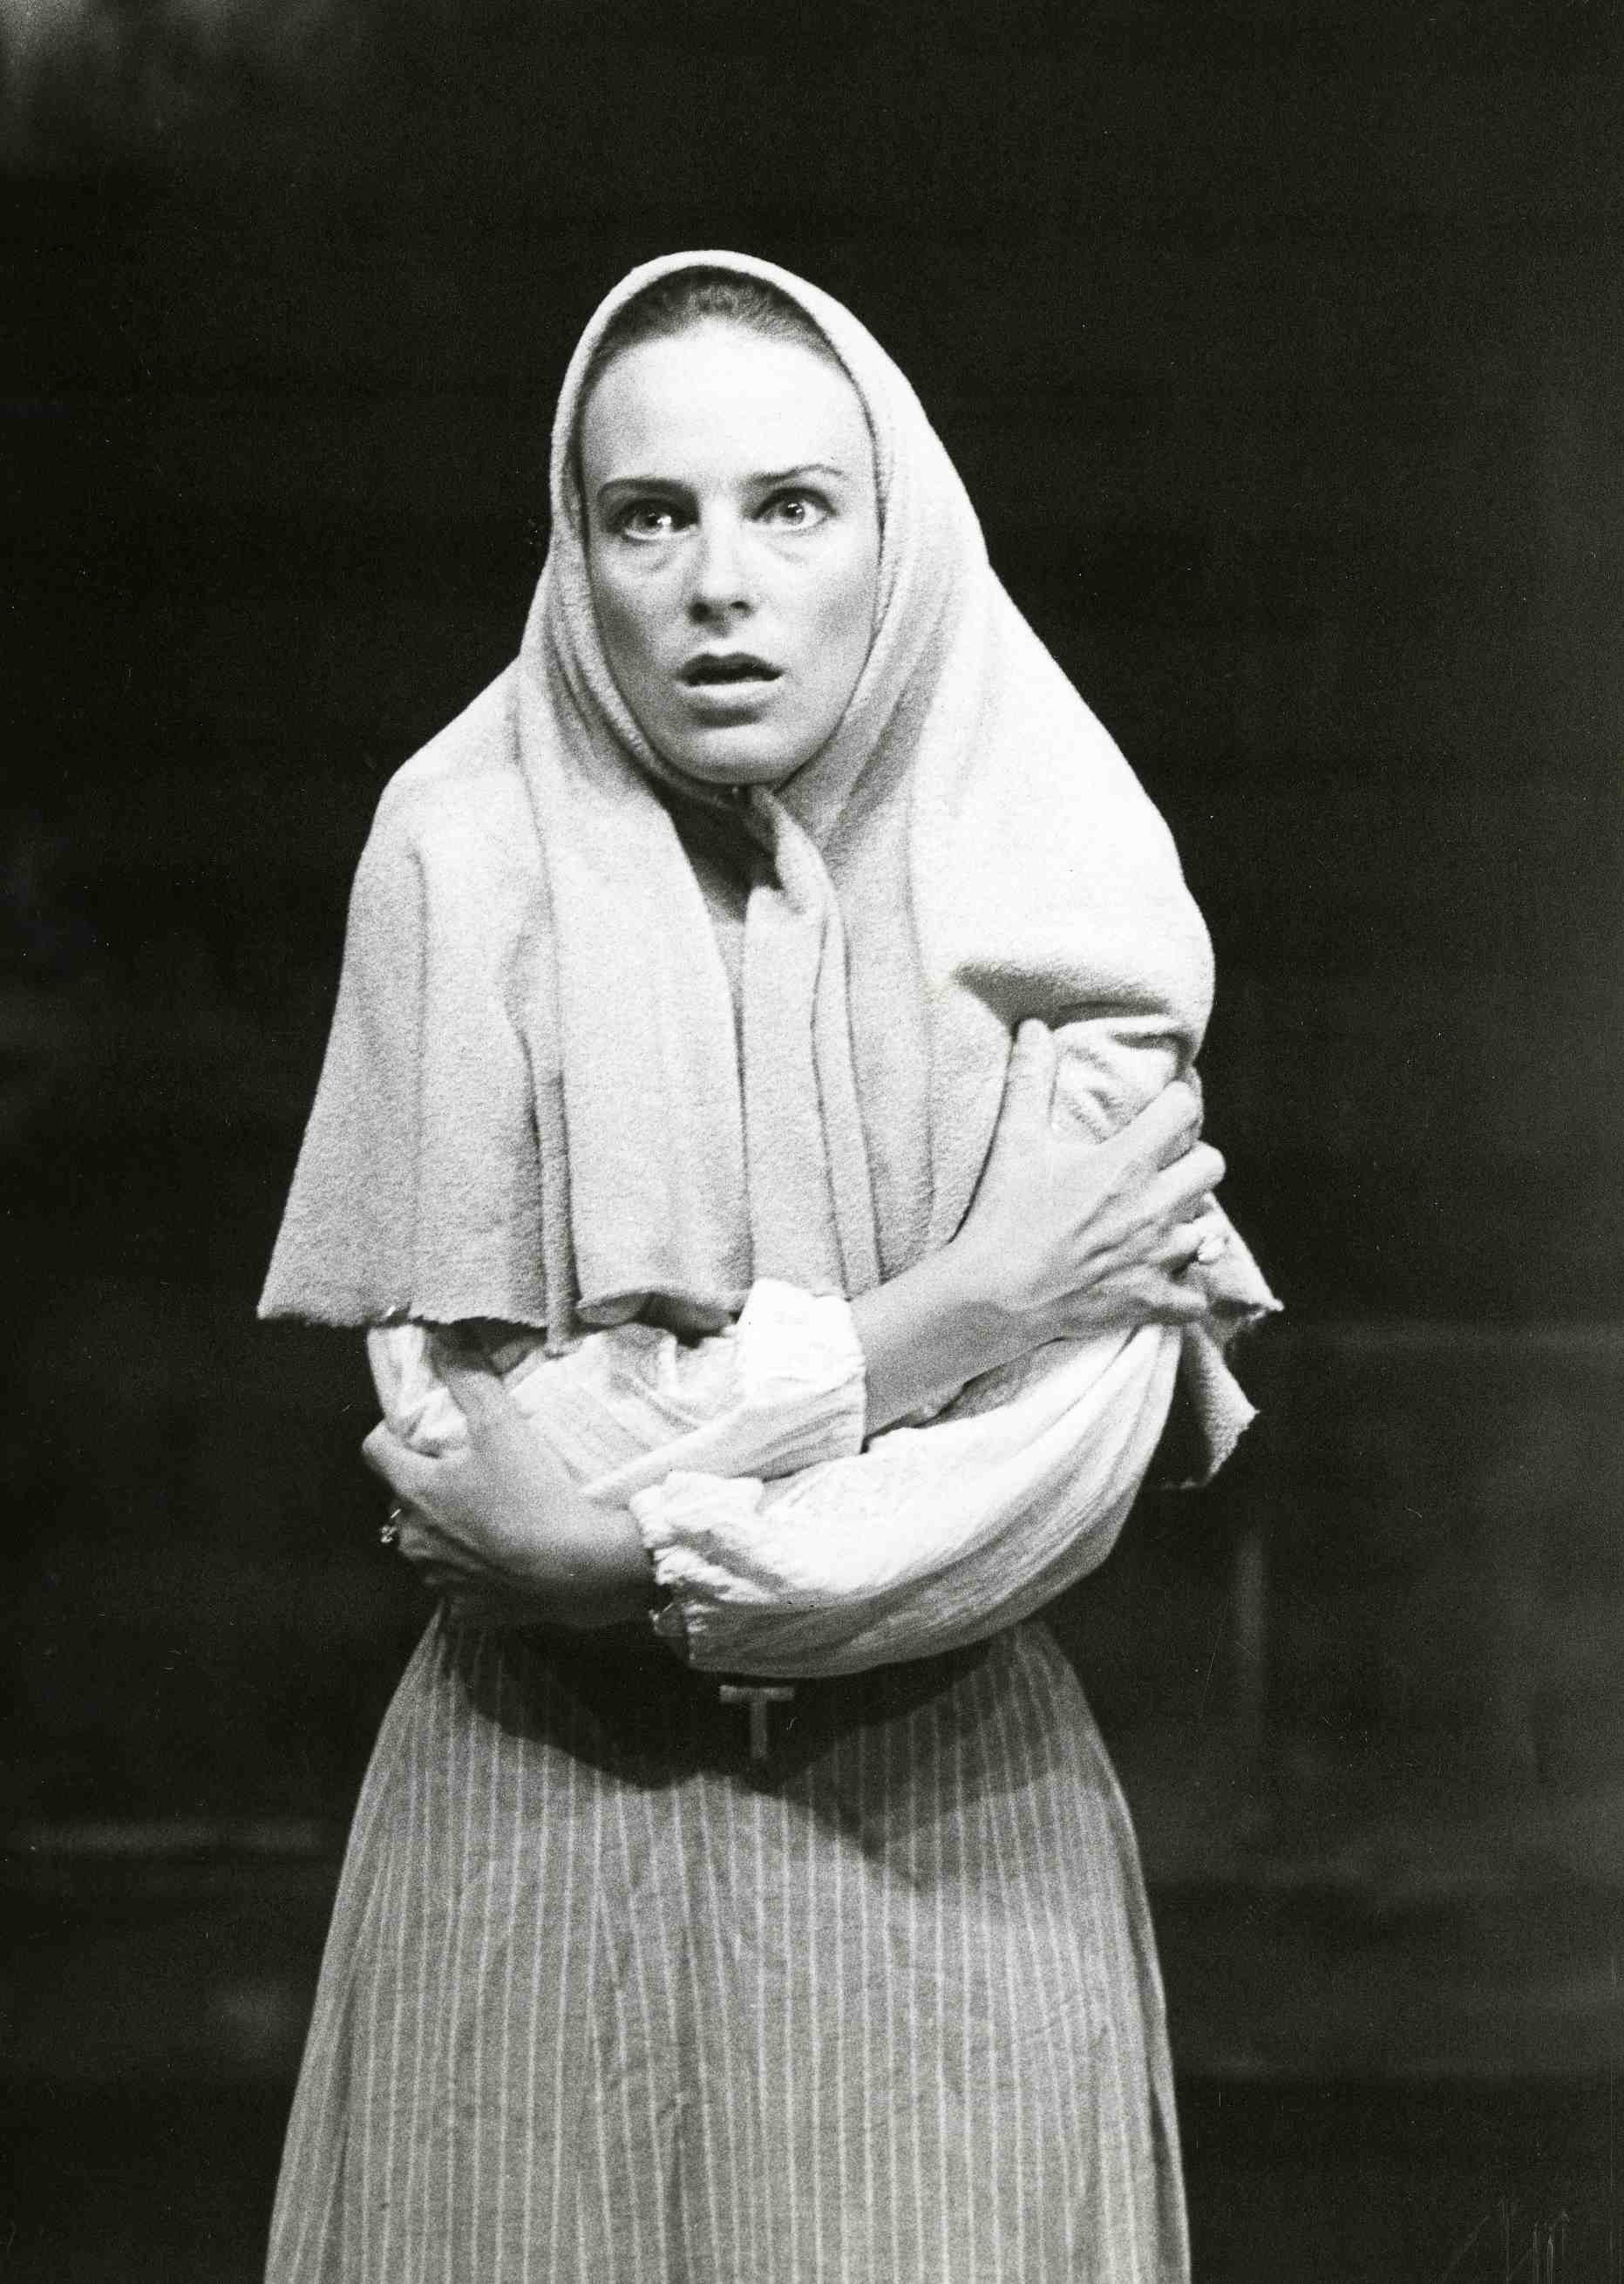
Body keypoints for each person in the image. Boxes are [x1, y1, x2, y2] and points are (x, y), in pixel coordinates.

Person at [258, 251, 1275, 2283]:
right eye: (649, 516)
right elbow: (491, 1452)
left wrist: (619, 1554)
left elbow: (1038, 1476)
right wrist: (944, 1315)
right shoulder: (458, 848)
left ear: (895, 532)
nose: (716, 583)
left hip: (941, 1832)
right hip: (525, 1825)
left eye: (789, 506)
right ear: (579, 551)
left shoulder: (1065, 876)